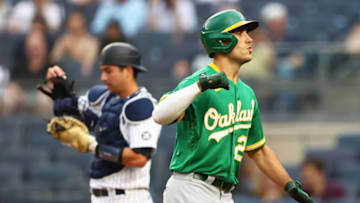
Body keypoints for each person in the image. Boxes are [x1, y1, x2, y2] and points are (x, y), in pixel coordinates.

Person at [152, 9, 314, 203]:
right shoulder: (199, 81)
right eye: (240, 33)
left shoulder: (247, 93)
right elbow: (159, 115)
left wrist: (290, 186)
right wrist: (199, 86)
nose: (249, 39)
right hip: (191, 187)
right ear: (221, 40)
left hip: (225, 194)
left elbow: (258, 151)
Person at [44, 42, 162, 202]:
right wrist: (59, 84)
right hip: (100, 196)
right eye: (102, 71)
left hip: (128, 196)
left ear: (127, 71)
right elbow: (69, 109)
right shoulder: (104, 97)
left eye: (108, 71)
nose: (103, 77)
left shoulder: (142, 105)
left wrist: (92, 145)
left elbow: (139, 158)